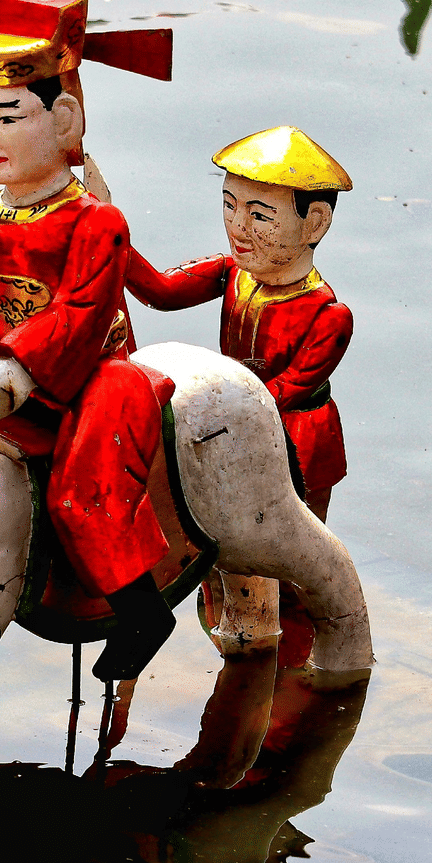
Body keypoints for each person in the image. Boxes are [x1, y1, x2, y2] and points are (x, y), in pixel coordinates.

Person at [0, 0, 177, 680]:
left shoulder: (95, 221)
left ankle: (141, 611)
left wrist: (16, 371)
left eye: (8, 117)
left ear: (64, 117)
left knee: (82, 499)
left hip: (82, 379)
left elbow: (79, 312)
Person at [125, 127, 352, 665]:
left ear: (314, 223)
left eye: (260, 215)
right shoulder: (232, 275)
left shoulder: (328, 315)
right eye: (229, 207)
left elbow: (285, 393)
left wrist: (210, 404)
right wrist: (111, 239)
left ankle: (292, 663)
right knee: (220, 556)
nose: (238, 228)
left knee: (295, 557)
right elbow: (159, 290)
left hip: (298, 439)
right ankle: (235, 657)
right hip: (227, 424)